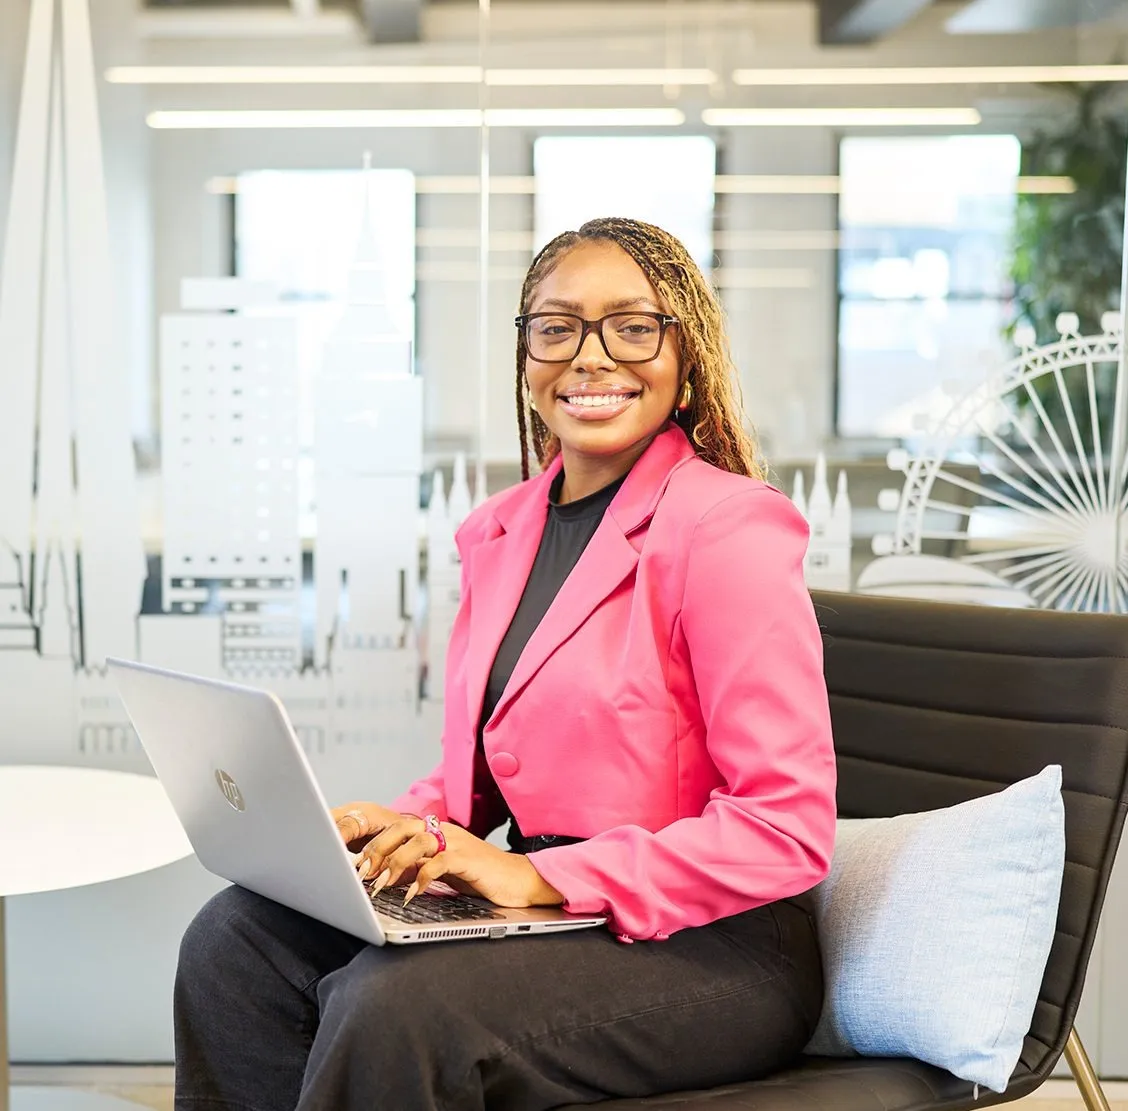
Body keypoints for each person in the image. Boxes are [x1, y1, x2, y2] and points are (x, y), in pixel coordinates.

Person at [174, 216, 837, 1111]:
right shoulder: (502, 529)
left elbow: (786, 829)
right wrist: (404, 827)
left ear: (685, 351)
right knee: (236, 941)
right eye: (555, 326)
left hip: (713, 942)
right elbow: (486, 774)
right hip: (535, 917)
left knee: (397, 1007)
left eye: (633, 326)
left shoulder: (727, 527)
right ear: (526, 357)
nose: (591, 356)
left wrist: (540, 875)